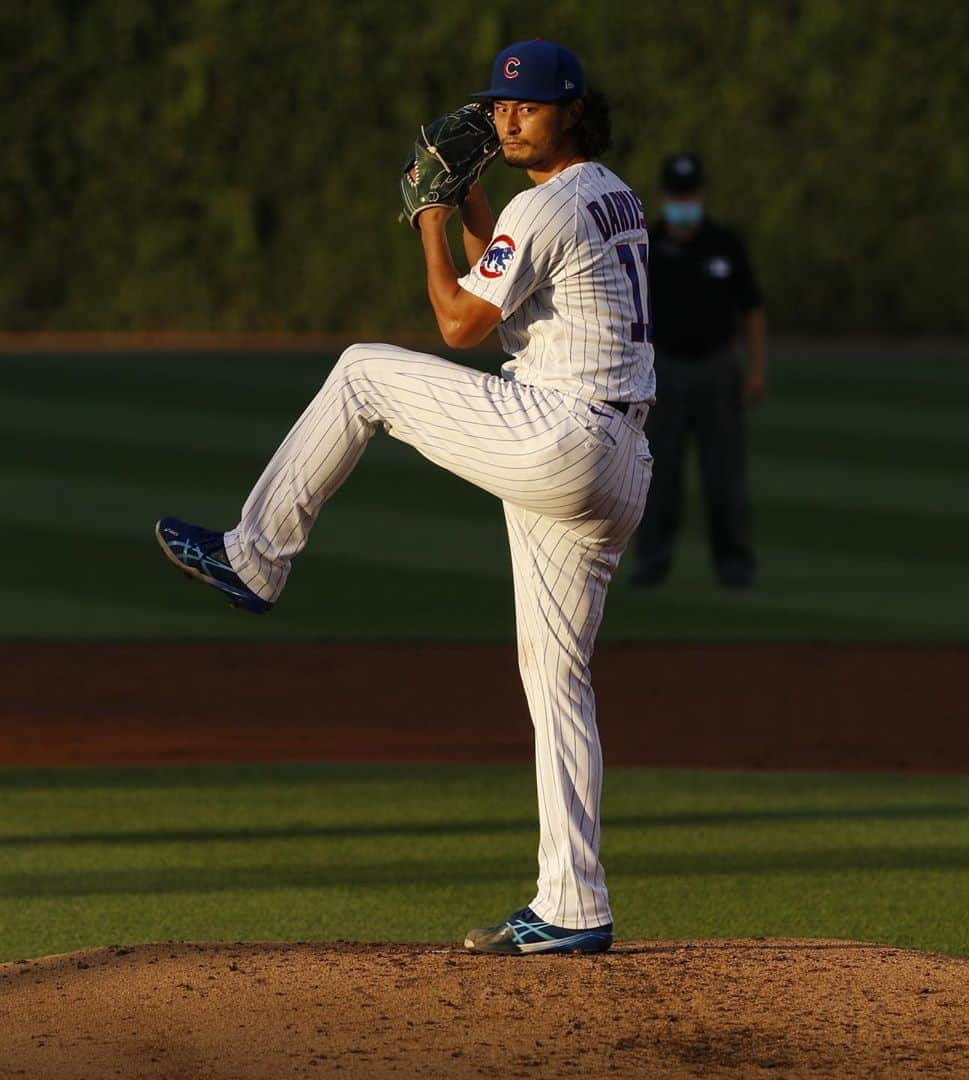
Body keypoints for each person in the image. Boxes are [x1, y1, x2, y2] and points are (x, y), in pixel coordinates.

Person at [154, 39, 654, 956]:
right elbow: (509, 288)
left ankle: (254, 557)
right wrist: (468, 204)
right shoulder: (608, 196)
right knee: (556, 680)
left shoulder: (548, 204)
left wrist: (427, 214)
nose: (505, 119)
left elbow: (461, 322)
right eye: (499, 106)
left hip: (560, 434)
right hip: (617, 460)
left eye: (527, 107)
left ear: (572, 111)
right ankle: (574, 904)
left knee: (363, 375)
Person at [630, 152, 767, 589]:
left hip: (717, 367)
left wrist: (756, 369)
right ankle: (652, 563)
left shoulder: (725, 244)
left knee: (725, 474)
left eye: (689, 194)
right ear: (664, 196)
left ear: (700, 196)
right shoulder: (647, 247)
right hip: (664, 371)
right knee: (658, 475)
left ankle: (735, 566)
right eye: (677, 194)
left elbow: (752, 310)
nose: (683, 202)